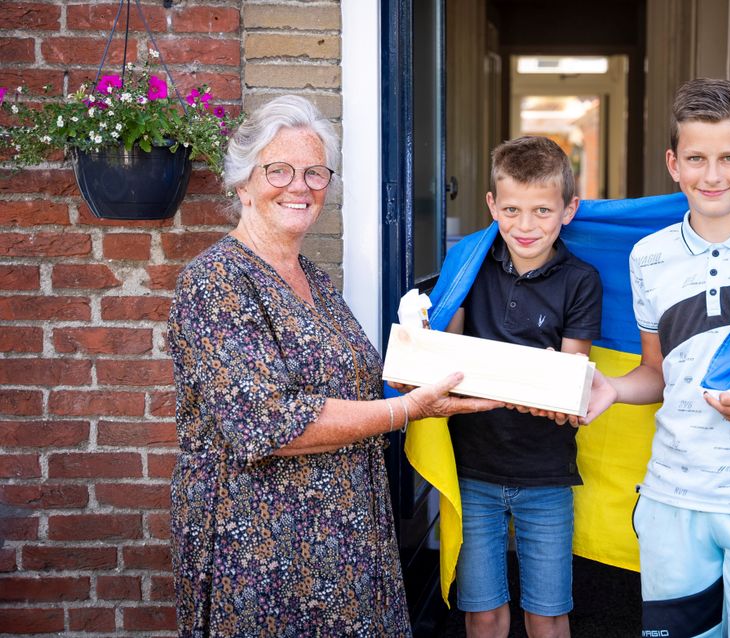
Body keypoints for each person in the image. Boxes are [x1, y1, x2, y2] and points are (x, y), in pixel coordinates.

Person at [167, 95, 499, 637]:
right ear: (242, 184)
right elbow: (268, 424)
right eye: (279, 170)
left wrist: (434, 372)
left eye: (315, 172)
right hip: (260, 542)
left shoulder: (313, 279)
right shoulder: (214, 282)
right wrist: (408, 408)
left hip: (346, 535)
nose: (300, 186)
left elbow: (357, 386)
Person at [583, 79, 730, 636]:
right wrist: (614, 388)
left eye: (729, 158)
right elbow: (656, 373)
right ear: (673, 163)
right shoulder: (649, 257)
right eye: (697, 158)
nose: (713, 175)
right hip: (672, 495)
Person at [446, 136, 603, 638]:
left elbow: (568, 378)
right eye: (511, 209)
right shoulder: (469, 266)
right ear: (492, 205)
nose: (526, 226)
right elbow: (446, 357)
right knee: (483, 611)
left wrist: (546, 386)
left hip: (546, 473)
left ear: (569, 210)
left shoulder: (581, 281)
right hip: (473, 469)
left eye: (542, 210)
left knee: (548, 612)